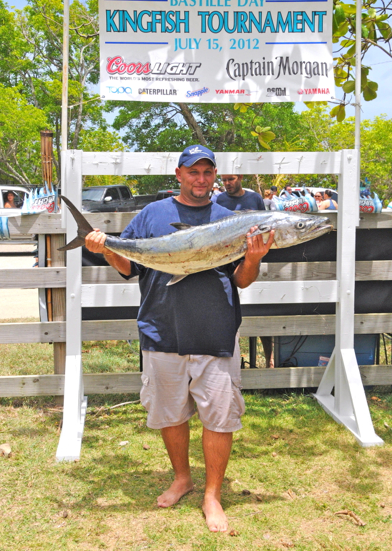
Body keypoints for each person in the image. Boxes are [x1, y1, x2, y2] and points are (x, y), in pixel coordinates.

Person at [84, 144, 274, 533]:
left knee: (220, 417)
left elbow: (240, 280)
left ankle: (212, 495)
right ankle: (182, 477)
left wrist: (253, 258)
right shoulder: (152, 214)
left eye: (207, 172)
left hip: (215, 330)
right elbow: (128, 267)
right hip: (161, 327)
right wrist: (105, 249)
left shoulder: (231, 220)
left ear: (215, 176)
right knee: (170, 412)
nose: (200, 179)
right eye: (193, 171)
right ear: (179, 173)